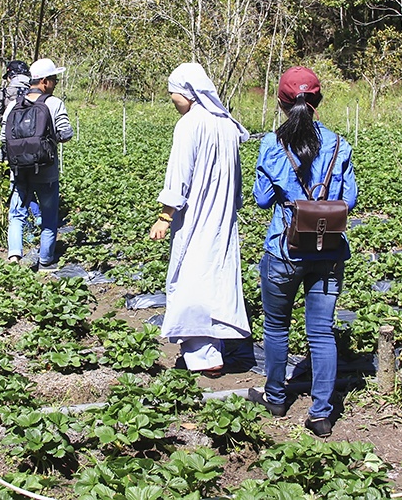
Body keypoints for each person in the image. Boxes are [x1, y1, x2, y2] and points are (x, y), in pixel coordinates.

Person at [249, 66, 357, 438]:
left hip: (283, 250)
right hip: (328, 253)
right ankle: (321, 414)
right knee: (322, 333)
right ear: (318, 101)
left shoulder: (271, 144)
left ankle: (276, 397)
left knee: (276, 327)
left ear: (281, 102)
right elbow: (350, 200)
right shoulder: (338, 145)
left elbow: (262, 200)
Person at [149, 63, 251, 377]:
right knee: (214, 277)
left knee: (190, 277)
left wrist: (165, 216)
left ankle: (205, 358)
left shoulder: (190, 124)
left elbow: (179, 175)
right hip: (221, 217)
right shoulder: (226, 124)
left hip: (194, 216)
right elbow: (237, 179)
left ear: (189, 93)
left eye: (174, 94)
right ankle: (213, 348)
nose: (172, 100)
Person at [2, 57, 72, 270]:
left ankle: (14, 254)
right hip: (46, 170)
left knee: (16, 214)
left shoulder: (14, 104)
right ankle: (45, 260)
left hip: (19, 171)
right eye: (53, 80)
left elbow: (4, 138)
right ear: (44, 81)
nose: (55, 84)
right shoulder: (54, 103)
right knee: (49, 215)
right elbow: (66, 133)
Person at [0, 60, 41, 262]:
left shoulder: (8, 92)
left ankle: (16, 249)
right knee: (35, 188)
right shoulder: (37, 89)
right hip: (37, 153)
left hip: (14, 151)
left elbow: (1, 121)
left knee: (18, 191)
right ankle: (38, 224)